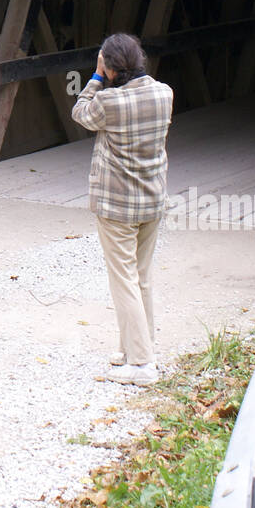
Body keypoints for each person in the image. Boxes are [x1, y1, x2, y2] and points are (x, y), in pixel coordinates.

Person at [71, 33, 173, 386]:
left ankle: (142, 365)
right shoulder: (164, 94)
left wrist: (96, 78)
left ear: (111, 68)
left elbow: (80, 112)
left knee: (124, 280)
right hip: (152, 201)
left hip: (117, 205)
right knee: (141, 278)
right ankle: (139, 348)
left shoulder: (109, 102)